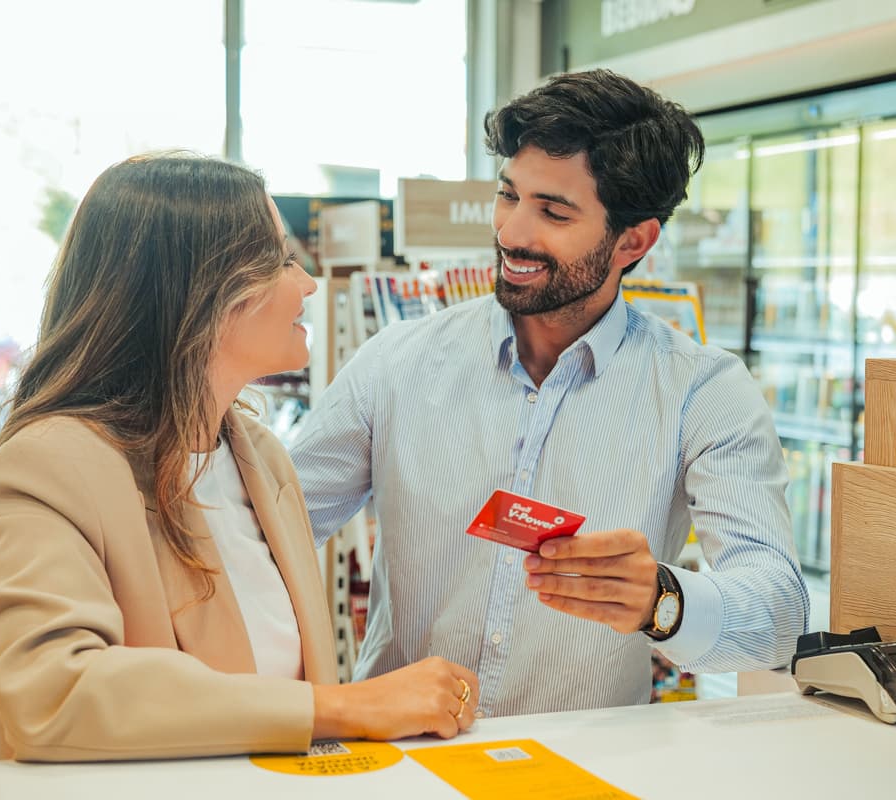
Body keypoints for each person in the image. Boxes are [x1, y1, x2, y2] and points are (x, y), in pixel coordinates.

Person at [0, 154, 479, 762]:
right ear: (202, 291)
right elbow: (52, 692)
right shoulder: (48, 466)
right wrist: (346, 708)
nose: (308, 283)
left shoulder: (261, 460)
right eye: (281, 260)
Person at [290, 70, 809, 717]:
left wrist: (660, 599)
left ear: (634, 240)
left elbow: (780, 613)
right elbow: (270, 527)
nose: (511, 233)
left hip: (589, 769)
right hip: (410, 764)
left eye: (554, 212)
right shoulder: (397, 364)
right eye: (509, 196)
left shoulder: (700, 391)